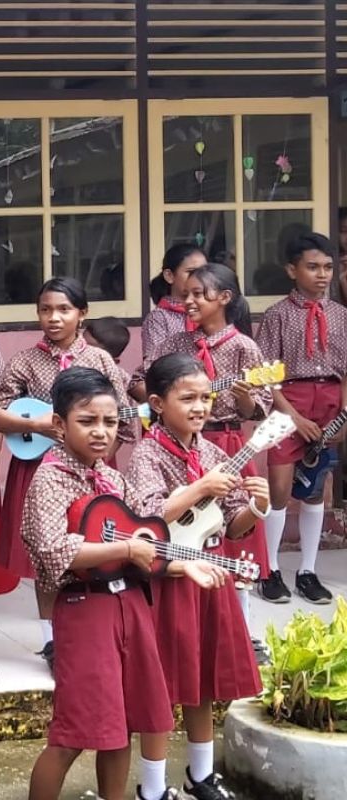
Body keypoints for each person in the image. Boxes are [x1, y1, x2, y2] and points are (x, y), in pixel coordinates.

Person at [22, 368, 226, 800]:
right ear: (59, 424)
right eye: (87, 421)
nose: (101, 433)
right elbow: (53, 550)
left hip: (130, 608)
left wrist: (177, 566)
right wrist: (125, 551)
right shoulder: (50, 478)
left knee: (120, 729)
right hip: (84, 610)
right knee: (72, 735)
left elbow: (146, 538)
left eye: (110, 423)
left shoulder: (113, 479)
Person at [128, 354, 267, 800]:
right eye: (186, 398)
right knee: (163, 684)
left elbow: (231, 525)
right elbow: (148, 518)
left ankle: (201, 776)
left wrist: (256, 507)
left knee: (203, 681)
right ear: (157, 402)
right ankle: (152, 788)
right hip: (168, 578)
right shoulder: (146, 452)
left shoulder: (212, 451)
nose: (199, 407)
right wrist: (202, 486)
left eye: (205, 398)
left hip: (211, 575)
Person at [0, 277, 135, 673]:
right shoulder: (24, 361)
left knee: (99, 546)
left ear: (82, 314)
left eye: (64, 310)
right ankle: (51, 641)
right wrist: (38, 426)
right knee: (49, 555)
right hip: (41, 467)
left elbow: (122, 416)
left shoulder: (102, 361)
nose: (54, 318)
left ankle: (100, 628)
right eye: (45, 310)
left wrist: (102, 455)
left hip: (93, 472)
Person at [138, 263, 272, 662]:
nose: (189, 300)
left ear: (225, 299)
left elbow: (259, 408)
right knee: (183, 527)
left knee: (223, 528)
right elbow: (143, 381)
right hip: (173, 442)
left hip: (226, 443)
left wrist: (245, 394)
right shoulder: (176, 340)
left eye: (199, 294)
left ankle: (239, 627)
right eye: (187, 293)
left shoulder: (245, 347)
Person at [255, 233, 347, 605]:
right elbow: (265, 375)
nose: (322, 275)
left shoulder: (342, 316)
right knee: (279, 489)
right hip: (287, 402)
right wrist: (292, 417)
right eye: (312, 267)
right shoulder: (277, 315)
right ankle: (270, 569)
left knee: (316, 489)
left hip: (330, 403)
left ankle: (307, 571)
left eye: (328, 267)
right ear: (292, 270)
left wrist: (343, 415)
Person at [137, 245, 208, 393]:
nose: (199, 278)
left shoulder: (209, 311)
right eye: (191, 272)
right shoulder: (159, 318)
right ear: (169, 276)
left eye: (204, 272)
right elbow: (155, 368)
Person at [83, 316, 132, 389]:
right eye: (81, 344)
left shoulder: (121, 380)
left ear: (113, 361)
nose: (80, 352)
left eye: (91, 352)